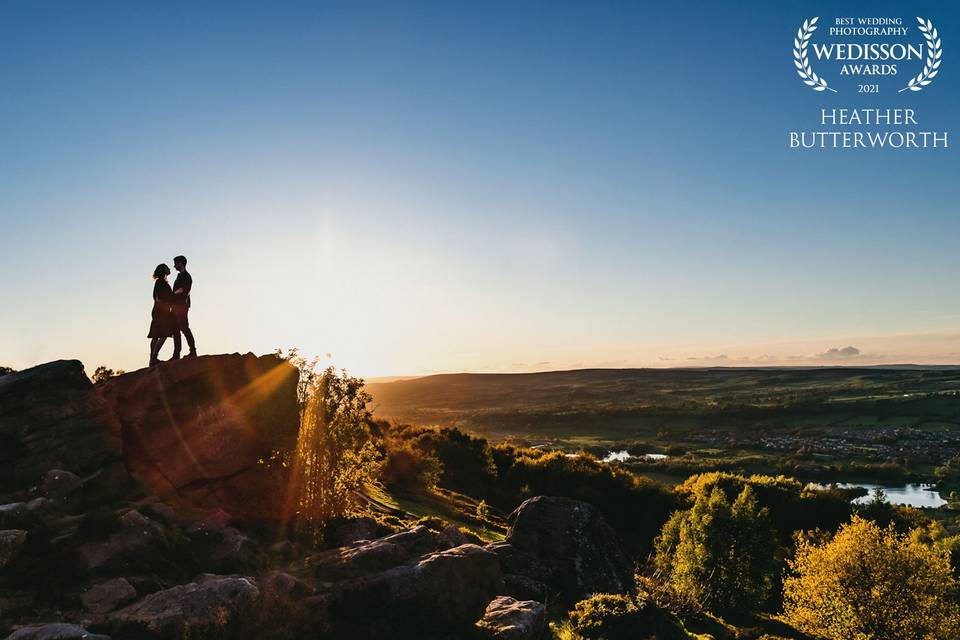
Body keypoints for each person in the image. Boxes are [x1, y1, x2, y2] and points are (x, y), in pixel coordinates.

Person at [148, 264, 177, 366]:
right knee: (164, 334)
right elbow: (158, 297)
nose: (169, 269)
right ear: (163, 270)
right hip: (161, 311)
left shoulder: (159, 282)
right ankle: (154, 357)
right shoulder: (161, 282)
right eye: (167, 268)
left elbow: (156, 297)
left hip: (157, 310)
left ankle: (152, 359)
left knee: (155, 335)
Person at [171, 255, 197, 359]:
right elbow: (179, 290)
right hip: (176, 306)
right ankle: (176, 354)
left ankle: (193, 351)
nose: (174, 266)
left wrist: (173, 294)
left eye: (176, 263)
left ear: (181, 263)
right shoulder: (180, 276)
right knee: (176, 329)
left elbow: (184, 290)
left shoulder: (186, 276)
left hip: (181, 306)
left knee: (184, 328)